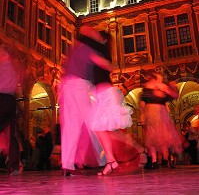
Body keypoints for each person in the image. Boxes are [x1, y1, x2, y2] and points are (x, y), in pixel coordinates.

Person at [84, 31, 146, 175]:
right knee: (103, 129)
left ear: (104, 40)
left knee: (102, 128)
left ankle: (126, 154)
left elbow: (108, 66)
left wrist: (94, 58)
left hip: (106, 93)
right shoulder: (100, 50)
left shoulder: (103, 50)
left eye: (98, 37)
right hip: (100, 93)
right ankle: (112, 161)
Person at [59, 26, 113, 176]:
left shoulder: (76, 49)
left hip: (66, 84)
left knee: (71, 126)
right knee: (93, 122)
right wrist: (109, 64)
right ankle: (107, 158)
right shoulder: (86, 49)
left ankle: (67, 164)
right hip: (79, 85)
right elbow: (103, 63)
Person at [139, 72, 183, 169]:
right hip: (157, 113)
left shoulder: (147, 87)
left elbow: (142, 104)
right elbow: (175, 95)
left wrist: (143, 118)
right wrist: (173, 86)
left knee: (154, 137)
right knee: (160, 137)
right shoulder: (159, 85)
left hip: (152, 113)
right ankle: (163, 160)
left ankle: (156, 161)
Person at [0, 43, 22, 175]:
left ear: (5, 54)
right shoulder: (14, 68)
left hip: (1, 99)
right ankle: (14, 166)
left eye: (1, 53)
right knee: (12, 134)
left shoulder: (1, 67)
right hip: (11, 101)